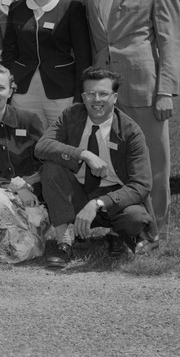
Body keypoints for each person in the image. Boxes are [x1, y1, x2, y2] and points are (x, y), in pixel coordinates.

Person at [85, 0, 180, 248]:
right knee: (119, 165)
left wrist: (165, 90)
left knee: (154, 165)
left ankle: (157, 235)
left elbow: (170, 42)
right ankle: (134, 228)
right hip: (106, 95)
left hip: (144, 89)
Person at [35, 67, 156, 268]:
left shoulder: (131, 131)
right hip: (77, 193)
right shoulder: (71, 115)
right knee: (51, 168)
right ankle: (64, 241)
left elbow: (142, 185)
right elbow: (41, 147)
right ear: (83, 96)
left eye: (103, 94)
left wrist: (98, 203)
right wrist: (84, 154)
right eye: (90, 93)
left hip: (113, 199)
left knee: (135, 217)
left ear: (115, 97)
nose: (96, 99)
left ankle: (116, 235)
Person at [1, 0, 92, 127]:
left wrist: (80, 93)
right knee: (29, 142)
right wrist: (10, 84)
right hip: (23, 91)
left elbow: (83, 56)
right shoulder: (16, 8)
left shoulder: (72, 8)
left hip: (62, 91)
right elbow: (9, 51)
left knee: (63, 141)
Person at [0, 63, 48, 264]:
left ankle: (12, 240)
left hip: (31, 193)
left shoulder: (29, 120)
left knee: (28, 245)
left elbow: (45, 161)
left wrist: (27, 185)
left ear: (11, 91)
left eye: (1, 88)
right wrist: (14, 187)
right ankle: (14, 241)